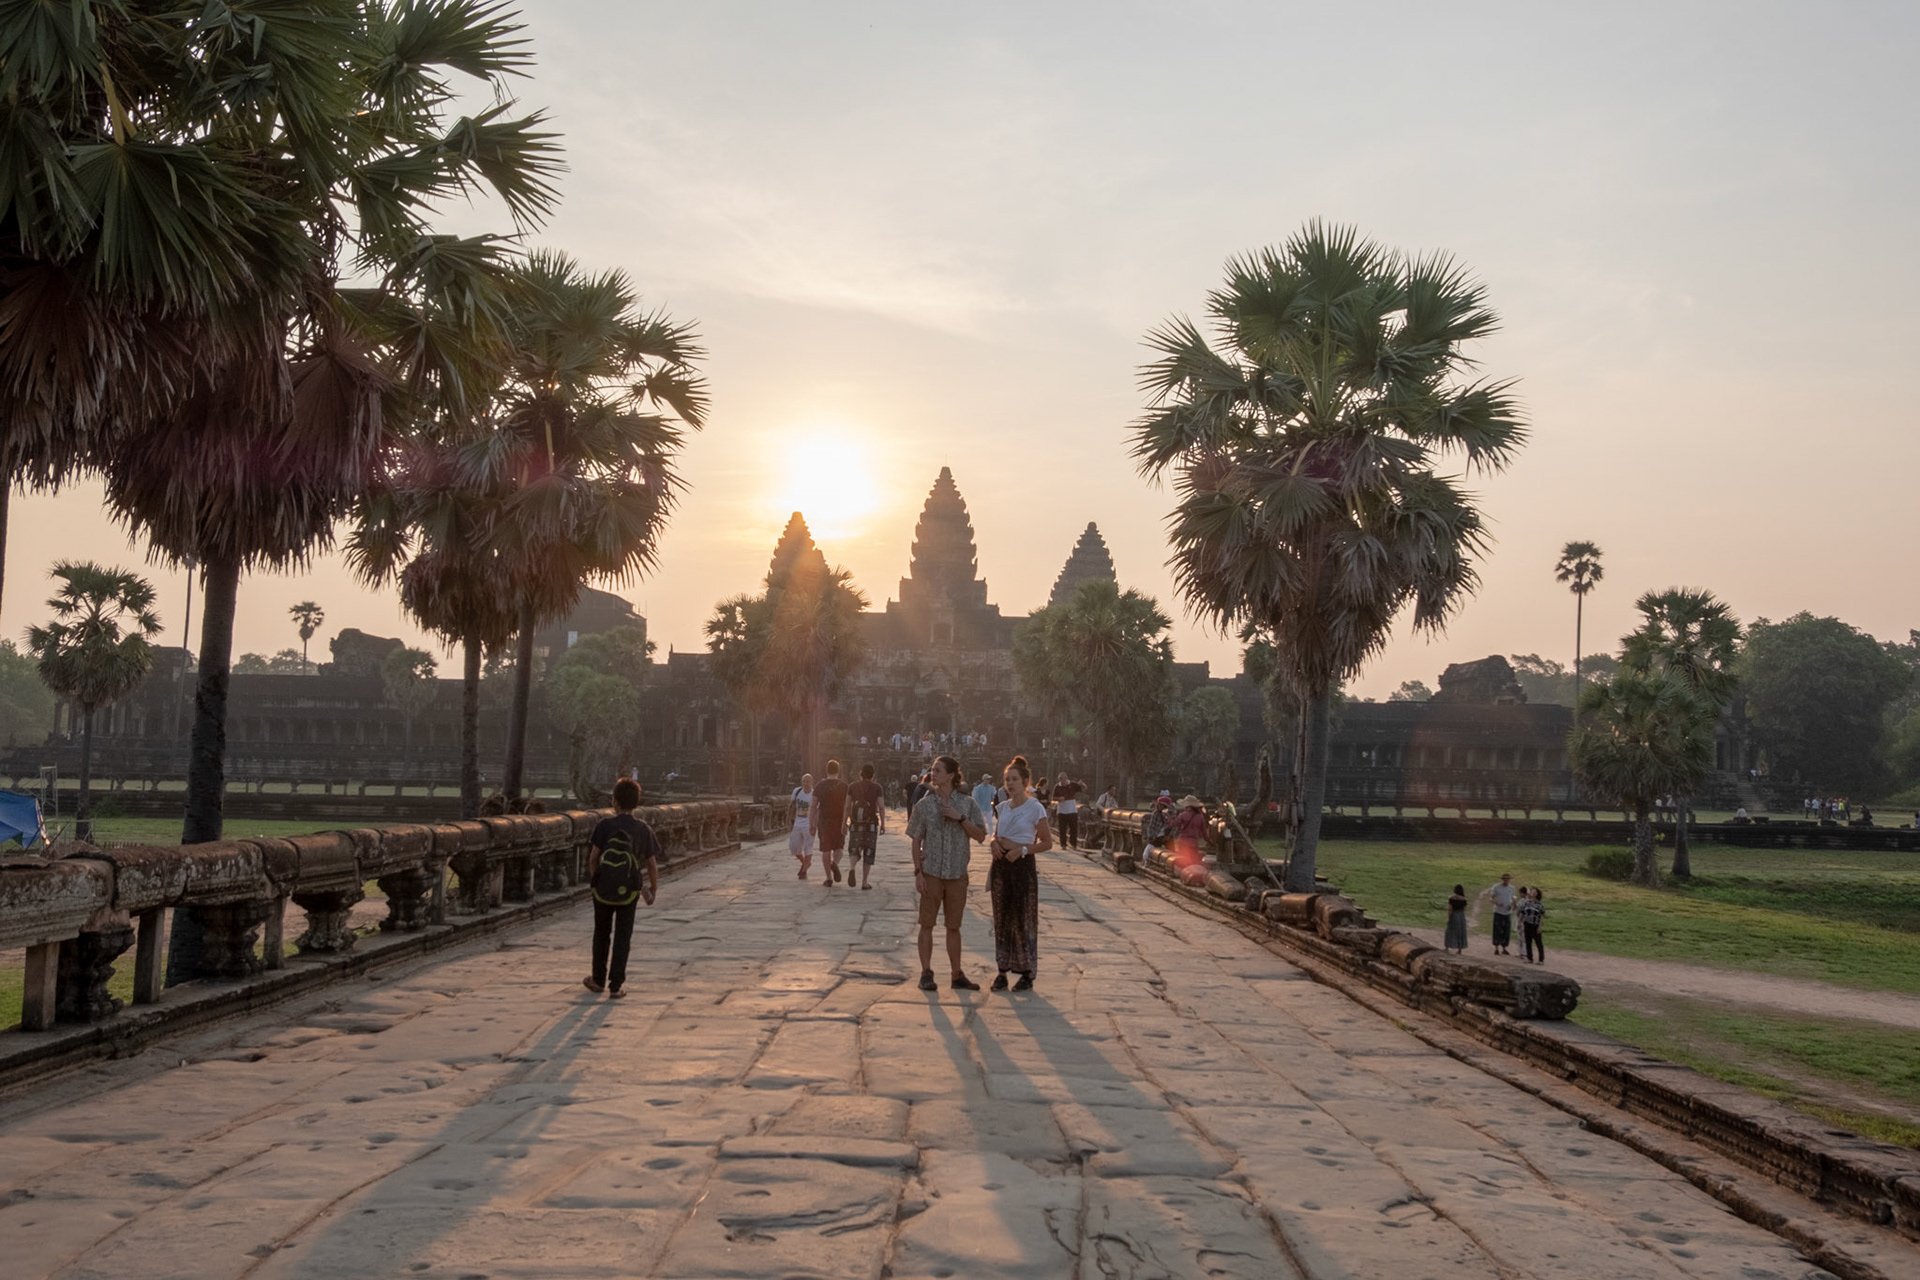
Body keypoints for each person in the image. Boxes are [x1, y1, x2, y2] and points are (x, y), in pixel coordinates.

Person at [906, 754, 986, 992]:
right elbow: (916, 839)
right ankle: (926, 972)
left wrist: (959, 817)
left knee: (954, 926)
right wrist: (918, 872)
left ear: (951, 775)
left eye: (938, 770)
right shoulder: (924, 805)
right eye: (932, 769)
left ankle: (956, 973)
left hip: (957, 873)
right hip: (931, 871)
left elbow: (980, 835)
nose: (933, 773)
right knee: (926, 923)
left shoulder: (967, 804)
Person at [583, 779, 659, 998]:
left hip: (603, 890)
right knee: (623, 935)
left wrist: (596, 879)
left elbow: (593, 857)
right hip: (630, 891)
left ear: (614, 802)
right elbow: (651, 863)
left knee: (601, 933)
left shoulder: (604, 826)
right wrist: (653, 889)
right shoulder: (642, 828)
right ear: (636, 802)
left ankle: (597, 980)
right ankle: (615, 986)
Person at [989, 755, 1053, 991]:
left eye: (1014, 779)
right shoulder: (1002, 807)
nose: (1010, 784)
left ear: (1026, 782)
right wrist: (994, 842)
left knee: (1023, 919)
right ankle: (1002, 970)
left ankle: (1026, 972)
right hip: (1001, 866)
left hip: (1022, 865)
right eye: (1007, 780)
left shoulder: (1035, 807)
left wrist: (1023, 850)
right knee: (1002, 919)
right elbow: (997, 833)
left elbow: (1047, 843)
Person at [847, 764, 885, 889]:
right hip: (871, 823)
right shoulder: (877, 787)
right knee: (869, 851)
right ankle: (864, 882)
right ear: (873, 775)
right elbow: (881, 806)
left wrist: (844, 822)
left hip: (855, 823)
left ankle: (852, 868)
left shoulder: (852, 786)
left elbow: (847, 806)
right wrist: (883, 824)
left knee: (854, 848)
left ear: (860, 774)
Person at [814, 760, 850, 888]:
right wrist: (847, 821)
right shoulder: (844, 786)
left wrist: (811, 823)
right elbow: (848, 805)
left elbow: (813, 805)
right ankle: (834, 863)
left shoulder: (820, 786)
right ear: (838, 771)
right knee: (839, 847)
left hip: (824, 820)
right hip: (839, 819)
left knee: (826, 849)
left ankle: (828, 878)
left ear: (826, 770)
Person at [1168, 794, 1209, 867]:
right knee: (1193, 862)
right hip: (1194, 843)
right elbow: (1204, 832)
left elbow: (1174, 824)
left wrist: (1168, 818)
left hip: (1183, 841)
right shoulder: (1200, 817)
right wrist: (1209, 841)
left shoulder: (1183, 815)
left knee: (1183, 861)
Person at [789, 773, 816, 879]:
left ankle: (803, 871)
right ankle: (805, 862)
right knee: (794, 847)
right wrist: (788, 820)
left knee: (808, 847)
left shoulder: (814, 794)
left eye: (808, 781)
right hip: (797, 822)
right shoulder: (797, 791)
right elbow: (791, 806)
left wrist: (814, 825)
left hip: (808, 824)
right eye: (804, 781)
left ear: (812, 782)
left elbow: (817, 810)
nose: (805, 783)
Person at [1051, 772, 1085, 849]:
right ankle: (1063, 844)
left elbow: (1083, 789)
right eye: (1060, 780)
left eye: (1062, 779)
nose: (1061, 781)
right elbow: (1053, 798)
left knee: (1073, 828)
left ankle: (1073, 844)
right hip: (1062, 810)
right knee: (1062, 828)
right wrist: (1059, 799)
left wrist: (1082, 784)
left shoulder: (1072, 784)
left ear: (1066, 778)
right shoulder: (1057, 786)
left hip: (1072, 809)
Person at [1488, 872, 1517, 956]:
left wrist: (1512, 905)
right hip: (1498, 911)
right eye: (1505, 879)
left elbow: (1513, 897)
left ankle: (1504, 947)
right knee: (1497, 929)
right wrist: (1496, 902)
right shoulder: (1496, 887)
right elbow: (1491, 897)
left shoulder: (1511, 888)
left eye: (1508, 879)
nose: (1506, 880)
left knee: (1506, 930)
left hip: (1507, 911)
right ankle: (1496, 947)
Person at [1519, 887, 1546, 963]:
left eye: (1534, 892)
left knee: (1538, 942)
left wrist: (1540, 926)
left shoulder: (1539, 905)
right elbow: (1522, 913)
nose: (1533, 893)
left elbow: (1541, 916)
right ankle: (1529, 958)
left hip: (1535, 924)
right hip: (1527, 923)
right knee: (1528, 941)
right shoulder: (1526, 903)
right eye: (1532, 892)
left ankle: (1541, 959)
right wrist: (1519, 922)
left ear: (1537, 894)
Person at [1444, 883, 1469, 954]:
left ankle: (1447, 947)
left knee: (1449, 931)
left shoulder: (1452, 898)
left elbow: (1450, 909)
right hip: (1461, 916)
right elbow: (1464, 909)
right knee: (1460, 932)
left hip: (1454, 915)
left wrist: (1449, 918)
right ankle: (1460, 949)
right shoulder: (1464, 899)